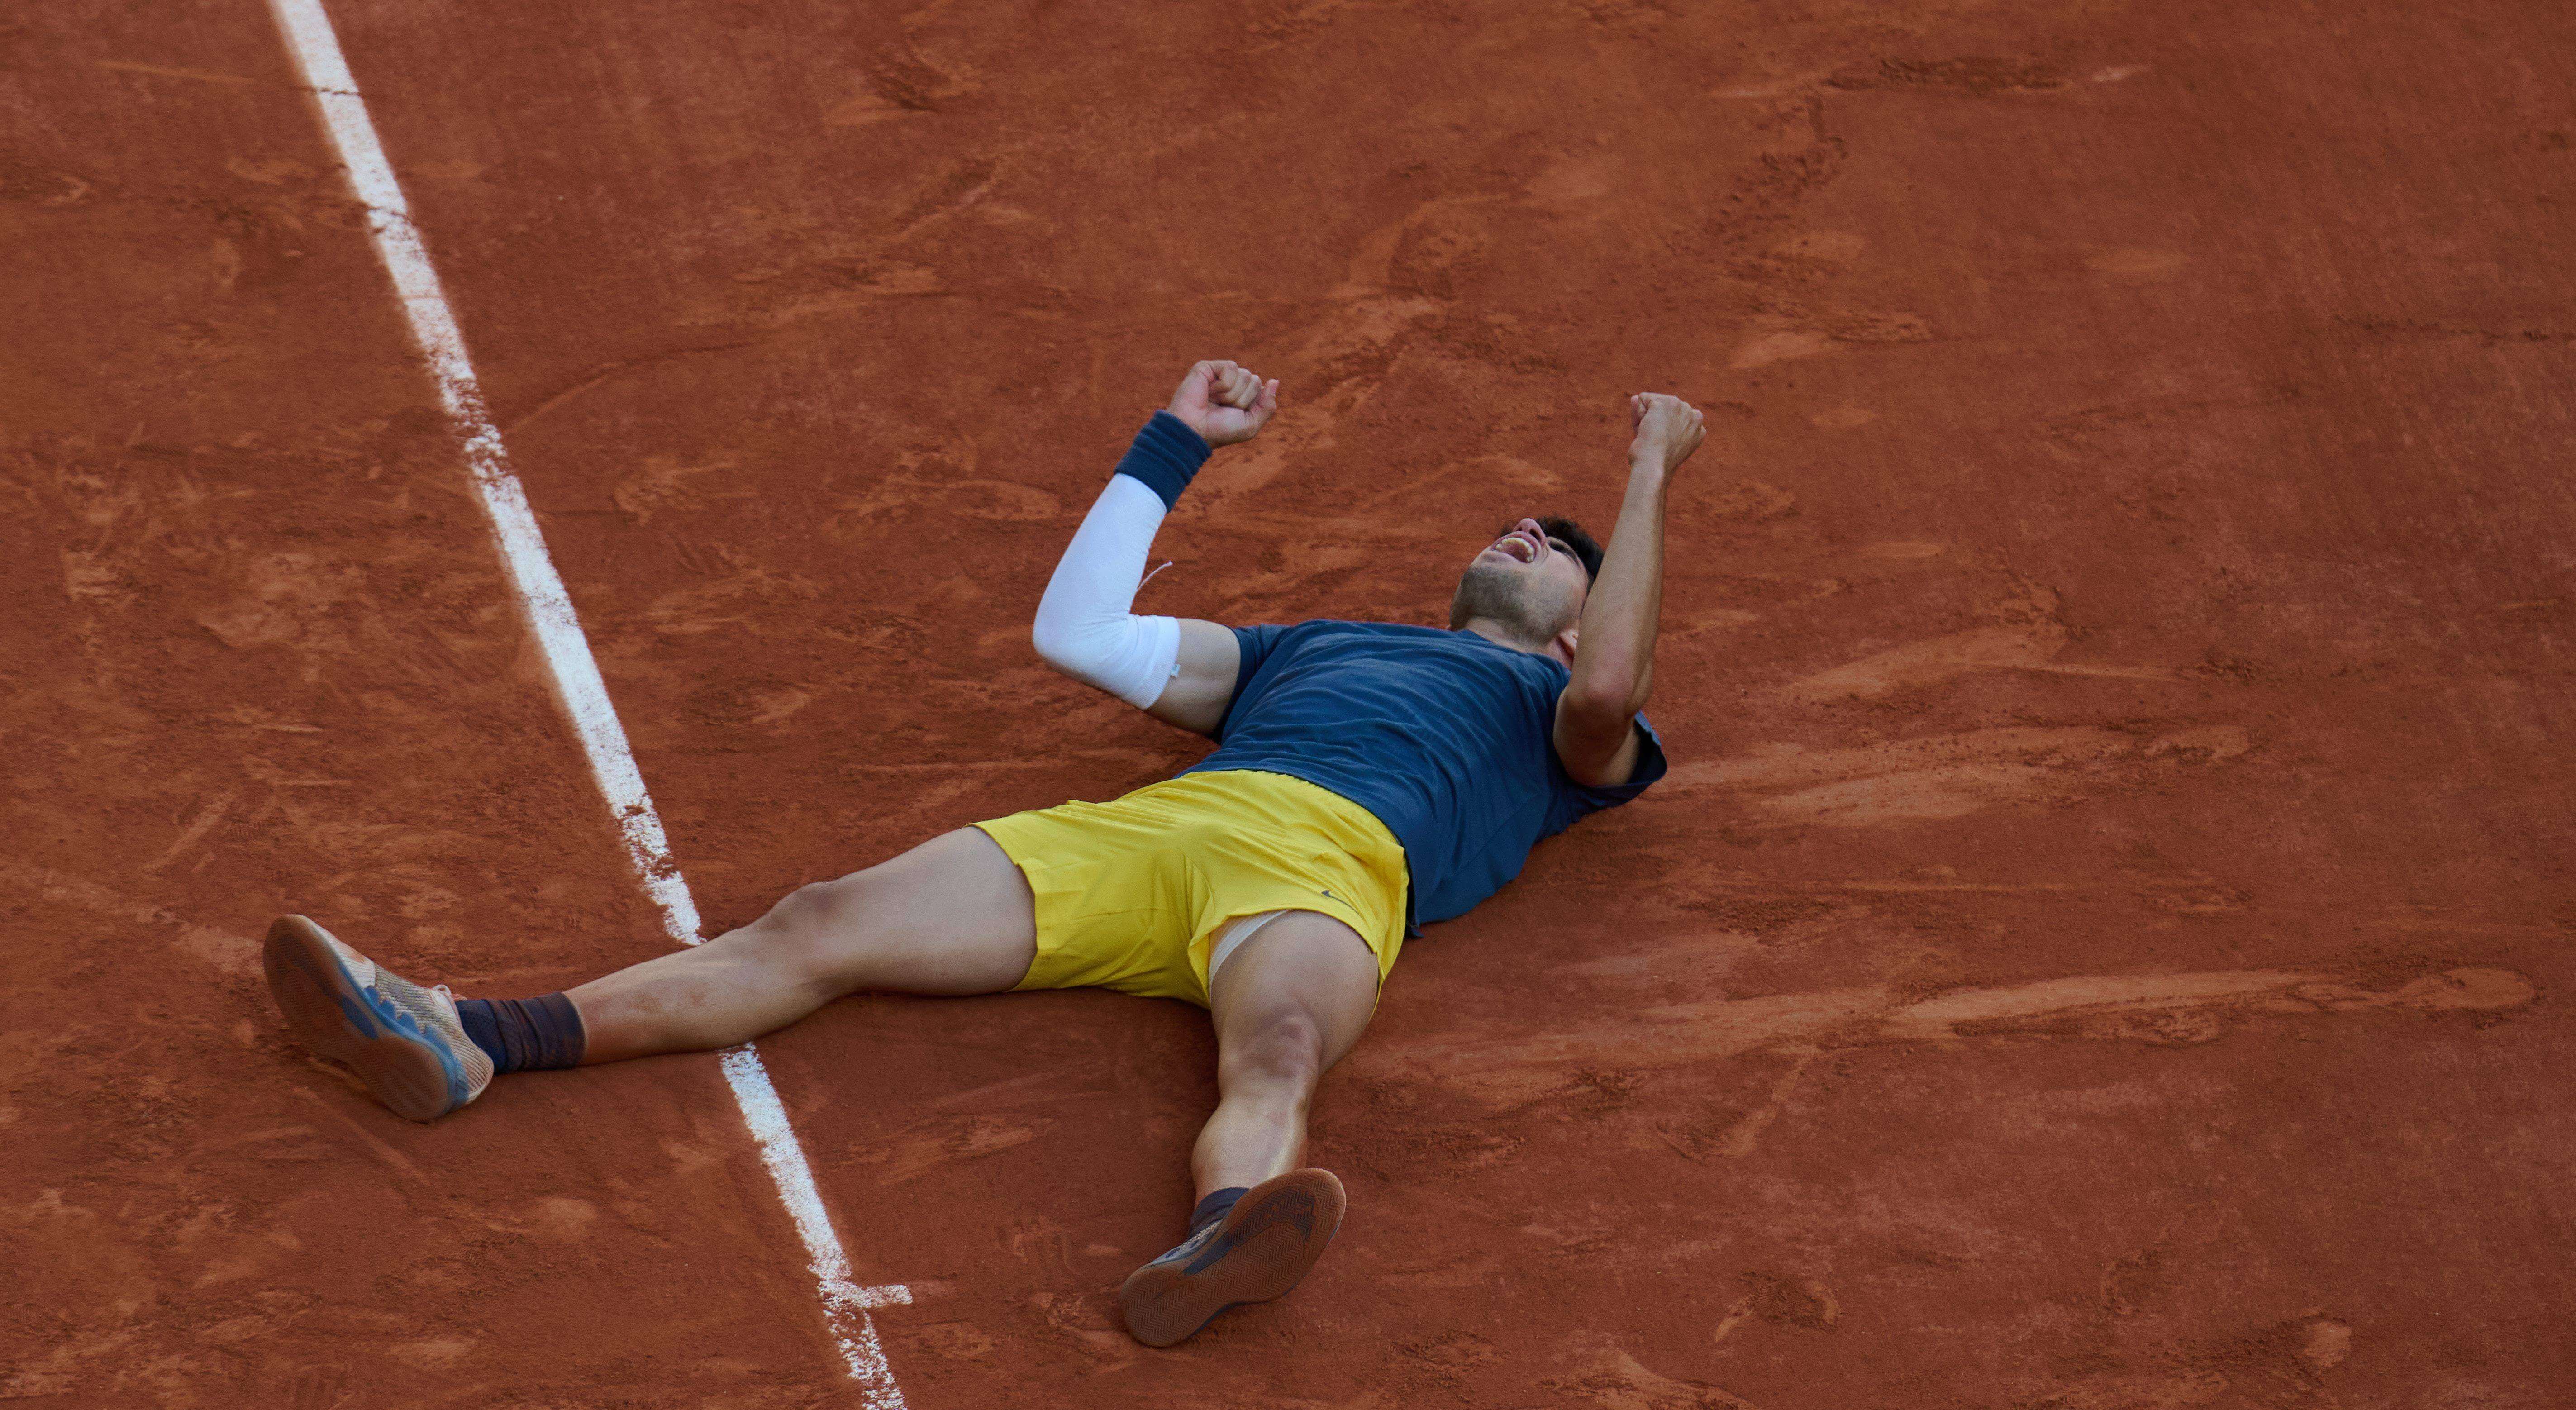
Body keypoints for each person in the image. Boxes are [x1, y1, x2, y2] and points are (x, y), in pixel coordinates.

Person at [265, 358, 1702, 1346]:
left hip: (1332, 875)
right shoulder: (1307, 649)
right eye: (1520, 521)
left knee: (1275, 1056)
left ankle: (1219, 1241)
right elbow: (1078, 636)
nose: (1525, 529)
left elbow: (1610, 691)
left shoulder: (1557, 719)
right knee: (819, 922)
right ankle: (469, 1039)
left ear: (1582, 614)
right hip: (1159, 836)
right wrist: (1173, 442)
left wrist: (1645, 469)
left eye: (1556, 543)